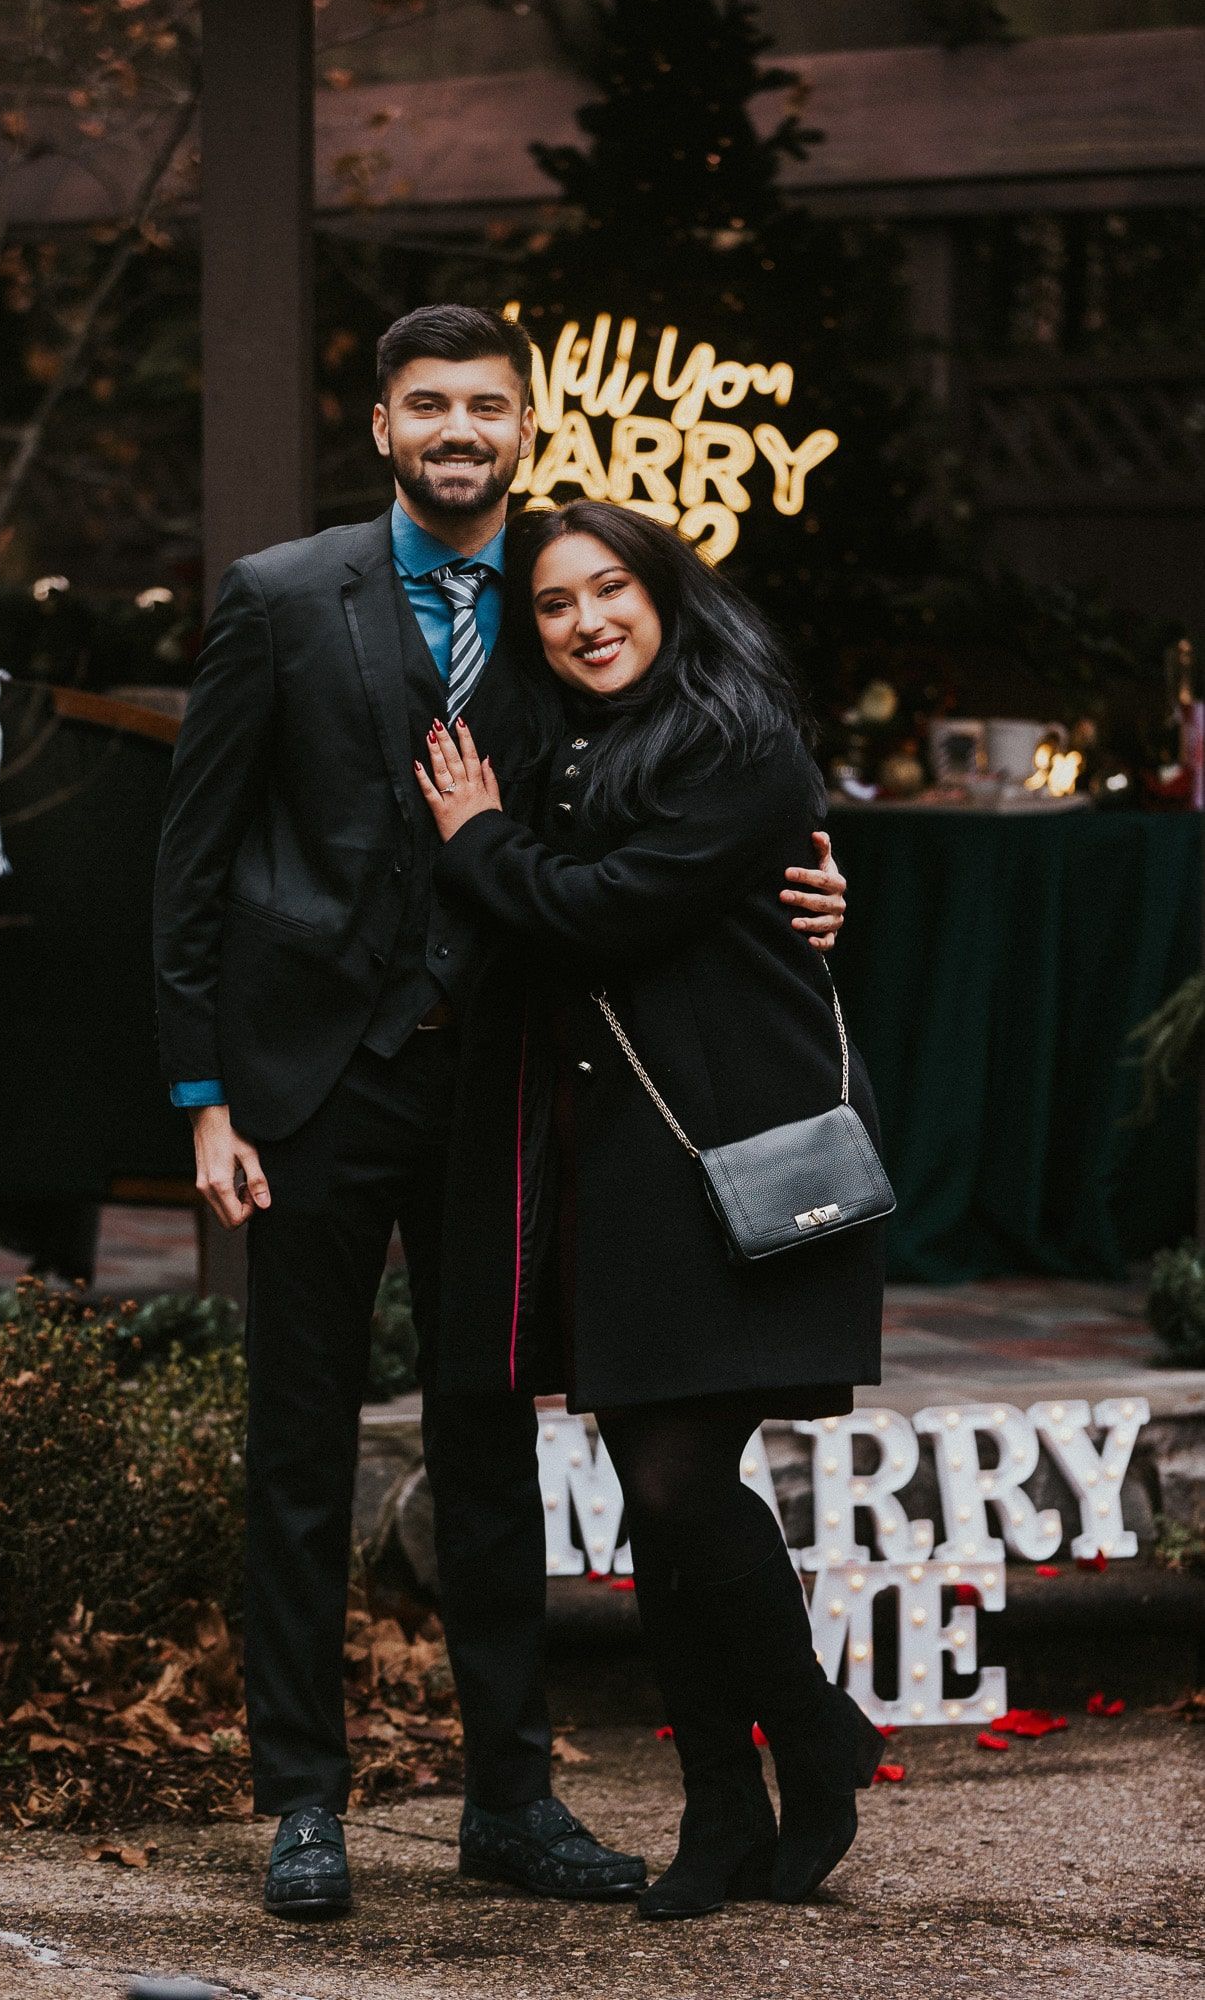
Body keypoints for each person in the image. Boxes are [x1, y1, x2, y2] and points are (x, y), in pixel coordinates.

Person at [153, 306, 849, 1919]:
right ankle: (302, 1800)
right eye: (427, 404)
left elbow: (678, 780)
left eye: (484, 404)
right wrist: (202, 1097)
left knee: (490, 1454)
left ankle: (511, 1802)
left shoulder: (566, 592)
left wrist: (808, 876)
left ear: (523, 425)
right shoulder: (280, 597)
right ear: (381, 425)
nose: (456, 429)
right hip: (311, 1091)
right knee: (299, 1453)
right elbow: (191, 862)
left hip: (508, 1096)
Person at [413, 497, 889, 1921]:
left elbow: (606, 908)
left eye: (609, 589)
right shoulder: (566, 742)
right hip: (623, 1163)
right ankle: (721, 1810)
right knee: (656, 1500)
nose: (587, 623)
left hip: (737, 1149)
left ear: (667, 592)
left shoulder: (736, 740)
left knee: (681, 1486)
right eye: (554, 605)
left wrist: (476, 840)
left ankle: (813, 1734)